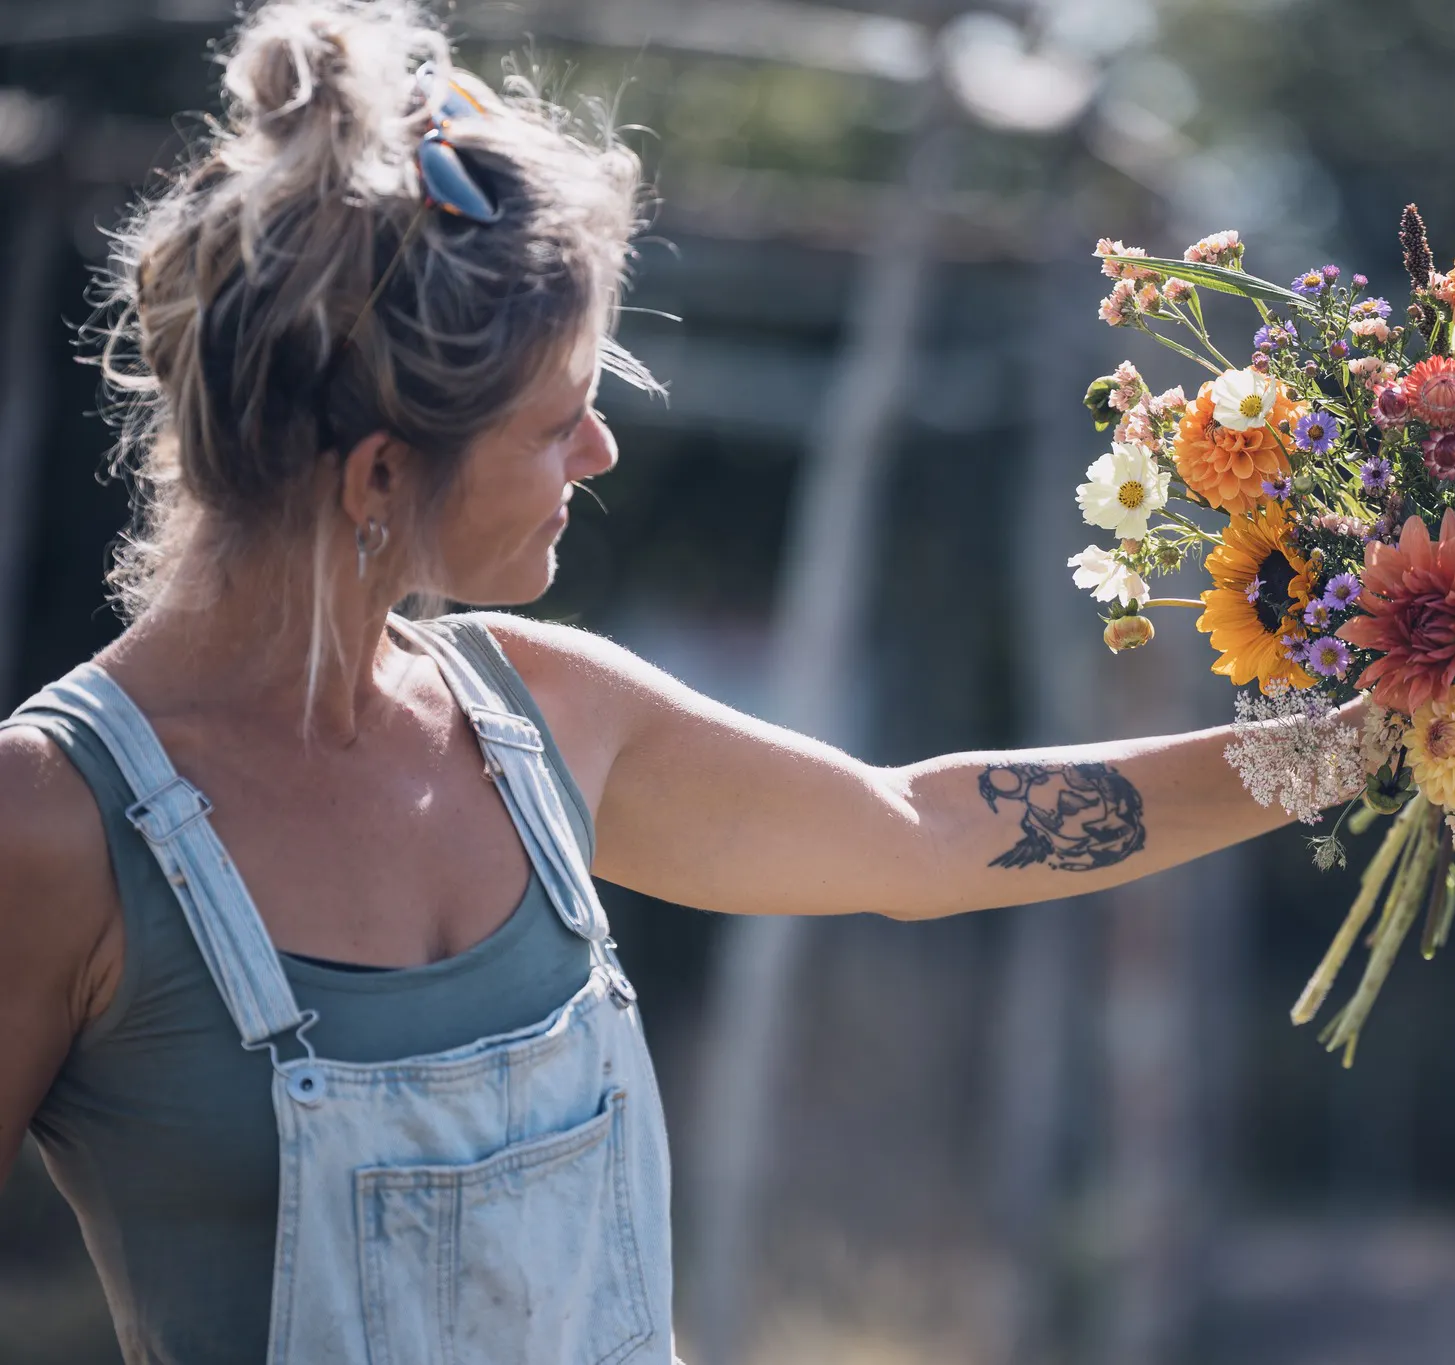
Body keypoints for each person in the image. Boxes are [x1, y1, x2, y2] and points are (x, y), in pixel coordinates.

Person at [0, 3, 1311, 1361]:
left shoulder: (543, 719)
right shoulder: (52, 825)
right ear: (381, 476)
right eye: (560, 419)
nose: (603, 454)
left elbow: (923, 832)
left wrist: (1339, 751)